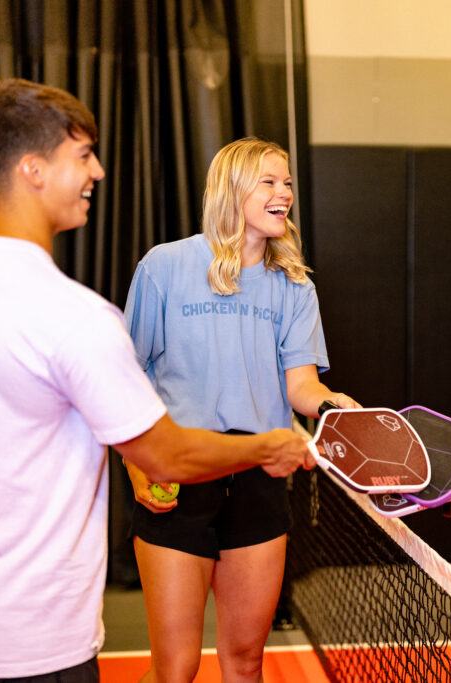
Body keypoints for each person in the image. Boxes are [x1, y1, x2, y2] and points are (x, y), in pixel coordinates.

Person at [0, 76, 312, 681]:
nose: (99, 172)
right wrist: (274, 444)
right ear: (33, 169)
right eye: (82, 155)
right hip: (38, 638)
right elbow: (162, 451)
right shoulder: (78, 317)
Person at [121, 137, 359, 683]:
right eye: (269, 181)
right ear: (231, 189)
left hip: (260, 480)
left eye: (288, 183)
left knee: (246, 661)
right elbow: (124, 378)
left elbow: (300, 384)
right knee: (175, 667)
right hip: (180, 477)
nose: (285, 194)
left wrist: (330, 404)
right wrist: (138, 463)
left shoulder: (294, 285)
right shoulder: (165, 266)